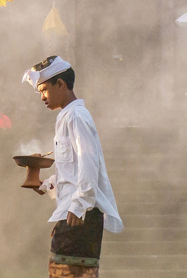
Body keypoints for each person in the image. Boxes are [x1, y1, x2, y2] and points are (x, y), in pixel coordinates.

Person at [23, 56, 123, 278]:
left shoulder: (76, 116)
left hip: (81, 213)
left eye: (44, 90)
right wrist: (45, 184)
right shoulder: (66, 117)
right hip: (73, 210)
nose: (42, 97)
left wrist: (79, 205)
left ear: (61, 84)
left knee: (69, 272)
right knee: (61, 271)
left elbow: (89, 163)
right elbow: (70, 172)